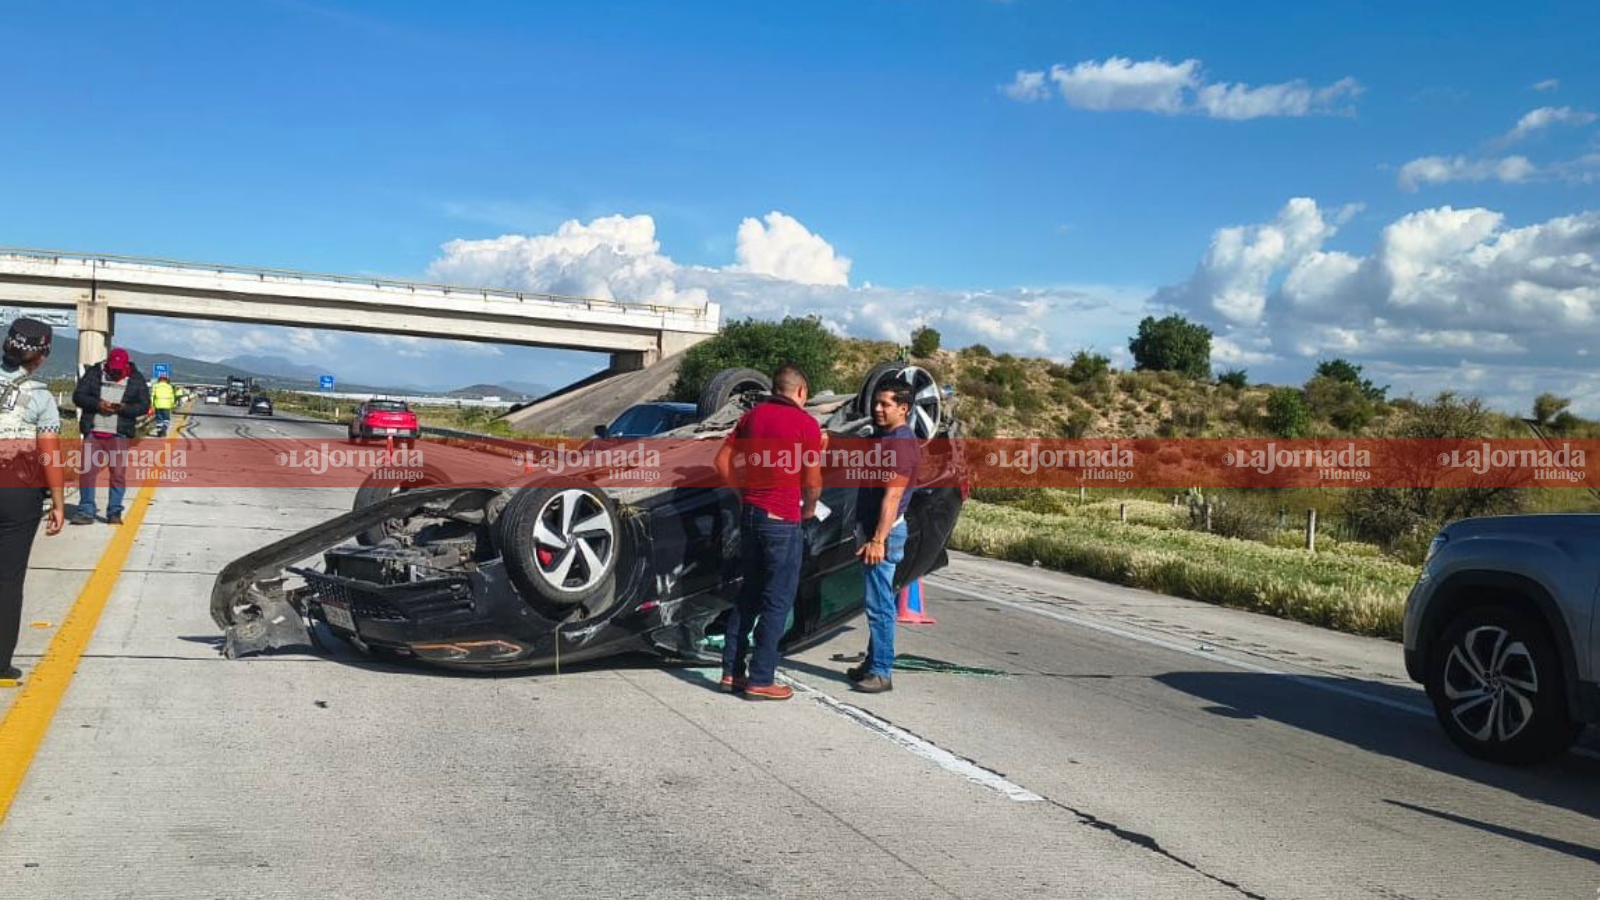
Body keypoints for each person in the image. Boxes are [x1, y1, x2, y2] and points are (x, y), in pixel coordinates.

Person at [713, 364, 823, 701]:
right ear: (801, 392)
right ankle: (761, 677)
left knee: (749, 594)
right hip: (781, 520)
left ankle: (731, 672)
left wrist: (742, 494)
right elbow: (813, 481)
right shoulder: (806, 424)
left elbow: (721, 461)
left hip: (751, 516)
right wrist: (807, 509)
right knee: (777, 599)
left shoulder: (753, 417)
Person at [0, 318, 66, 682]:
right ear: (41, 355)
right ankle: (0, 663)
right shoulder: (41, 396)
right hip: (16, 492)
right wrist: (58, 501)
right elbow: (49, 455)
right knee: (7, 580)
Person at [847, 378, 921, 693]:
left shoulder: (901, 444)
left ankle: (881, 672)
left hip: (886, 533)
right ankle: (871, 664)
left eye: (885, 404)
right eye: (876, 402)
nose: (877, 409)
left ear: (903, 409)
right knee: (881, 601)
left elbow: (892, 498)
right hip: (877, 530)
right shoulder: (886, 437)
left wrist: (878, 540)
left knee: (879, 607)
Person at [70, 347, 149, 526]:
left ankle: (114, 512)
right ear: (107, 363)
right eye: (113, 369)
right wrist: (98, 405)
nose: (115, 373)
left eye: (119, 370)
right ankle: (85, 511)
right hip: (93, 431)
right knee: (88, 473)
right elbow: (78, 397)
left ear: (126, 366)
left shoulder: (136, 379)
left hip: (119, 434)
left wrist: (124, 409)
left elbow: (144, 405)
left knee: (118, 474)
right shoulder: (94, 373)